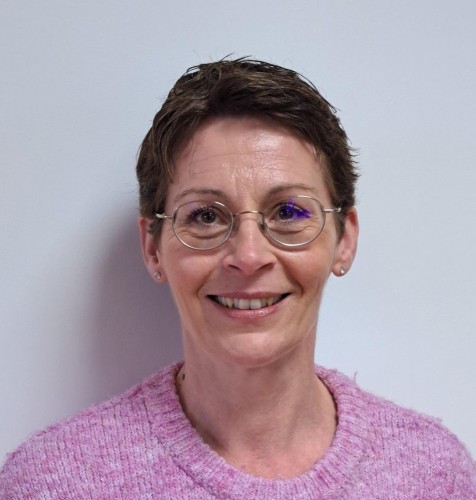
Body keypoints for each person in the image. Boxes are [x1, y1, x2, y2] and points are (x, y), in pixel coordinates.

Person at [1, 58, 475, 499]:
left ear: (344, 239)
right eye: (206, 216)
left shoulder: (432, 475)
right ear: (153, 248)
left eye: (289, 212)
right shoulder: (52, 483)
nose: (248, 257)